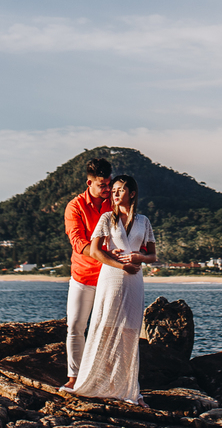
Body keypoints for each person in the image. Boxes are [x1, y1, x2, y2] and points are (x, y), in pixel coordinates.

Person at [66, 174, 157, 406]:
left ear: (132, 193)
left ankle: (127, 388)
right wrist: (120, 264)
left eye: (119, 190)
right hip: (111, 277)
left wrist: (139, 257)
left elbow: (153, 255)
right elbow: (96, 250)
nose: (114, 193)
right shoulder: (107, 218)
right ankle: (94, 381)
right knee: (103, 325)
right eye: (113, 190)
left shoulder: (143, 221)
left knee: (129, 330)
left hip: (134, 279)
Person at [62, 157, 112, 390]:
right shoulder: (75, 206)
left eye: (109, 183)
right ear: (89, 182)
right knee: (75, 326)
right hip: (82, 276)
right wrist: (107, 255)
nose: (107, 188)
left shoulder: (114, 201)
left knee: (106, 329)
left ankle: (105, 377)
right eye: (102, 185)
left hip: (110, 277)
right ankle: (74, 377)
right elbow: (77, 242)